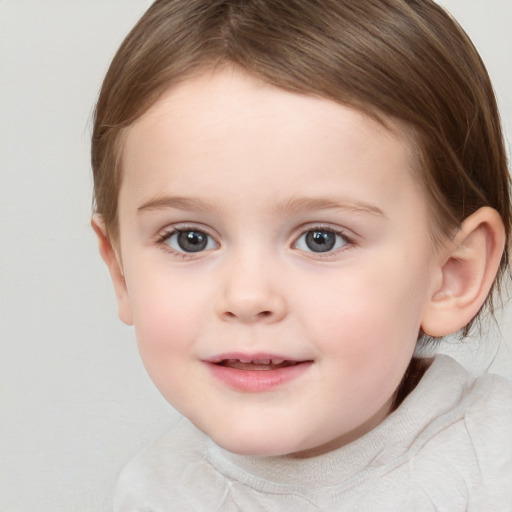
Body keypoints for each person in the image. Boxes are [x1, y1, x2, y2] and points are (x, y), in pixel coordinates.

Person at [91, 0, 512, 509]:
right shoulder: (153, 494)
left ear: (451, 273)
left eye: (321, 239)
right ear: (120, 271)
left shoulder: (495, 468)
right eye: (190, 238)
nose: (247, 297)